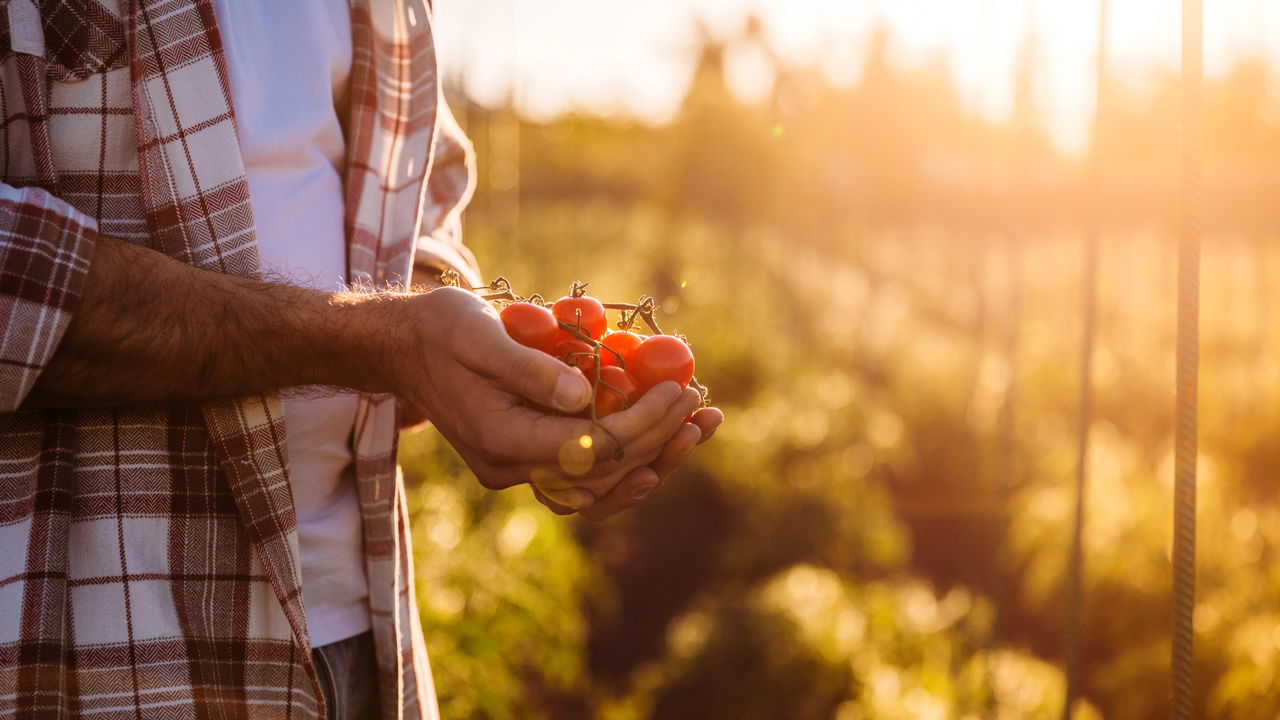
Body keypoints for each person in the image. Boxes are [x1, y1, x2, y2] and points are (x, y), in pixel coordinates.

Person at [0, 1, 722, 718]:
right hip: (98, 657)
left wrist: (478, 367)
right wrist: (378, 342)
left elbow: (420, 190)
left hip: (363, 636)